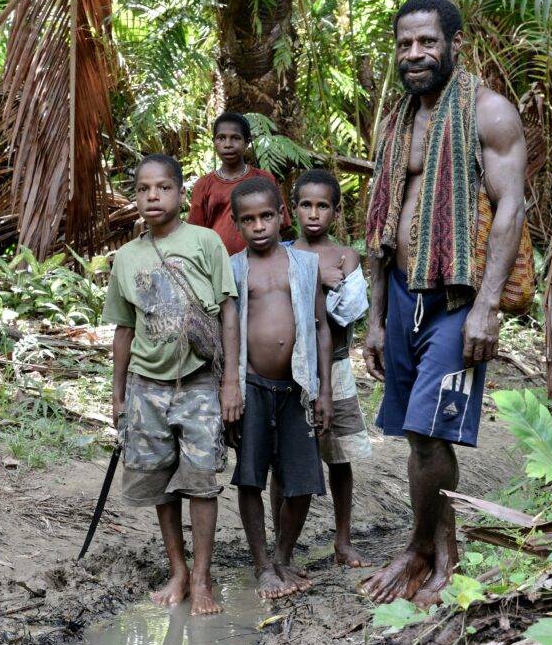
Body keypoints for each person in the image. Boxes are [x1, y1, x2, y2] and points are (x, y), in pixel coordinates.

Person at [362, 0, 527, 607]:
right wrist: (376, 317)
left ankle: (439, 554)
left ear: (453, 44)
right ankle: (424, 548)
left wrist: (487, 307)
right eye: (405, 44)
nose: (415, 54)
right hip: (402, 293)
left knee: (432, 432)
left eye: (427, 42)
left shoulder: (489, 113)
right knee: (416, 432)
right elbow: (381, 224)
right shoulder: (399, 120)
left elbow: (511, 208)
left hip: (457, 295)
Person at [102, 153, 243, 616]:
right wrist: (119, 394)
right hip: (147, 386)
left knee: (201, 482)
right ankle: (178, 570)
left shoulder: (204, 242)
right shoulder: (126, 257)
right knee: (162, 482)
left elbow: (227, 311)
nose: (152, 196)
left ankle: (203, 576)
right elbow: (124, 329)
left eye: (162, 188)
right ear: (135, 197)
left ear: (181, 193)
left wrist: (230, 384)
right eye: (143, 189)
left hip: (200, 383)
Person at [229, 176, 333, 599]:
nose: (259, 226)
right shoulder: (234, 268)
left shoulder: (305, 266)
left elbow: (322, 327)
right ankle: (261, 566)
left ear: (281, 216)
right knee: (251, 477)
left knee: (303, 479)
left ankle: (284, 557)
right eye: (249, 219)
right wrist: (229, 391)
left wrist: (323, 390)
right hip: (252, 385)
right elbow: (227, 330)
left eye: (266, 216)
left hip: (297, 387)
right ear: (237, 224)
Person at [269, 169, 371, 568]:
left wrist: (314, 279)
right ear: (292, 210)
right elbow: (276, 308)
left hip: (337, 367)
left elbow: (348, 313)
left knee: (339, 457)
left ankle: (342, 541)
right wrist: (316, 277)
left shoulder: (346, 256)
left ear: (335, 211)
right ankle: (282, 548)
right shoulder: (281, 250)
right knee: (284, 460)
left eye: (322, 206)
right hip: (289, 371)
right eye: (306, 205)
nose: (314, 213)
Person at [188, 111, 291, 254]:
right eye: (221, 138)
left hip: (261, 260)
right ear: (214, 142)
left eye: (235, 138)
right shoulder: (204, 184)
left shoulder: (263, 179)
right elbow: (196, 234)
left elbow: (280, 225)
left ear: (247, 142)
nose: (228, 144)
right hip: (218, 263)